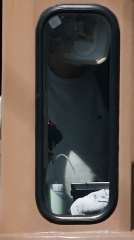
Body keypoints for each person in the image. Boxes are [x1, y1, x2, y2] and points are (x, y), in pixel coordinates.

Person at [43, 15, 111, 216]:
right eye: (66, 36)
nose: (73, 43)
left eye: (84, 36)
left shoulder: (108, 89)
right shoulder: (30, 88)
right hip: (41, 209)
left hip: (99, 211)